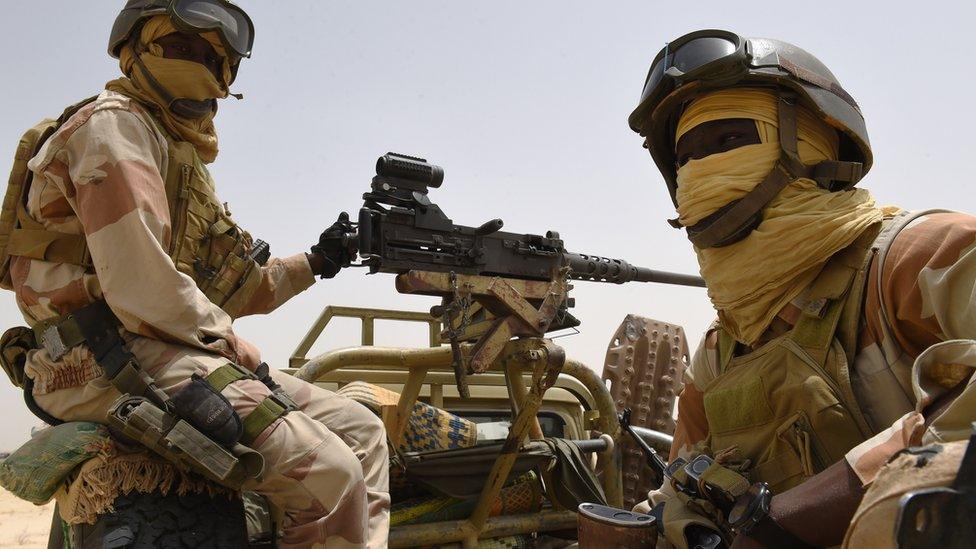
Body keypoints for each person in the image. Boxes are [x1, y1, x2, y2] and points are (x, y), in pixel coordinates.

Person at [3, 1, 388, 547]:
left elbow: (237, 287)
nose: (198, 64)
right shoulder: (113, 127)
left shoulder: (176, 156)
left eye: (212, 56)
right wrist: (234, 346)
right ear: (135, 52)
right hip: (93, 358)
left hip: (160, 346)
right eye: (178, 47)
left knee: (364, 433)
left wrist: (321, 261)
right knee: (329, 474)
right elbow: (142, 289)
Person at [627, 30, 976, 547]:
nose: (700, 172)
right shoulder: (720, 354)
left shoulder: (920, 259)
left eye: (728, 142)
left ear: (811, 145)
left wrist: (788, 517)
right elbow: (681, 482)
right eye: (686, 158)